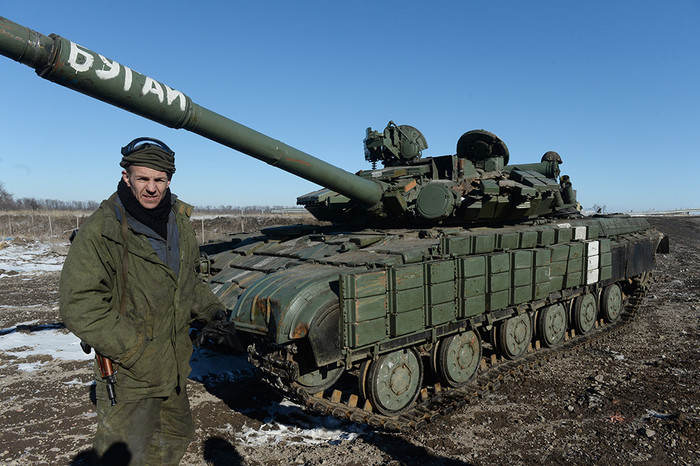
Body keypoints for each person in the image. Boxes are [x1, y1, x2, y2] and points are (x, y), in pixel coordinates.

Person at [59, 137, 234, 464]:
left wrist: (213, 312)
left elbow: (186, 281)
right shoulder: (104, 228)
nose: (151, 188)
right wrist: (136, 350)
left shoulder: (178, 222)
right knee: (125, 456)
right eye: (143, 178)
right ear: (126, 177)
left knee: (174, 439)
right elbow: (79, 303)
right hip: (130, 374)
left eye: (159, 179)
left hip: (173, 368)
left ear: (169, 180)